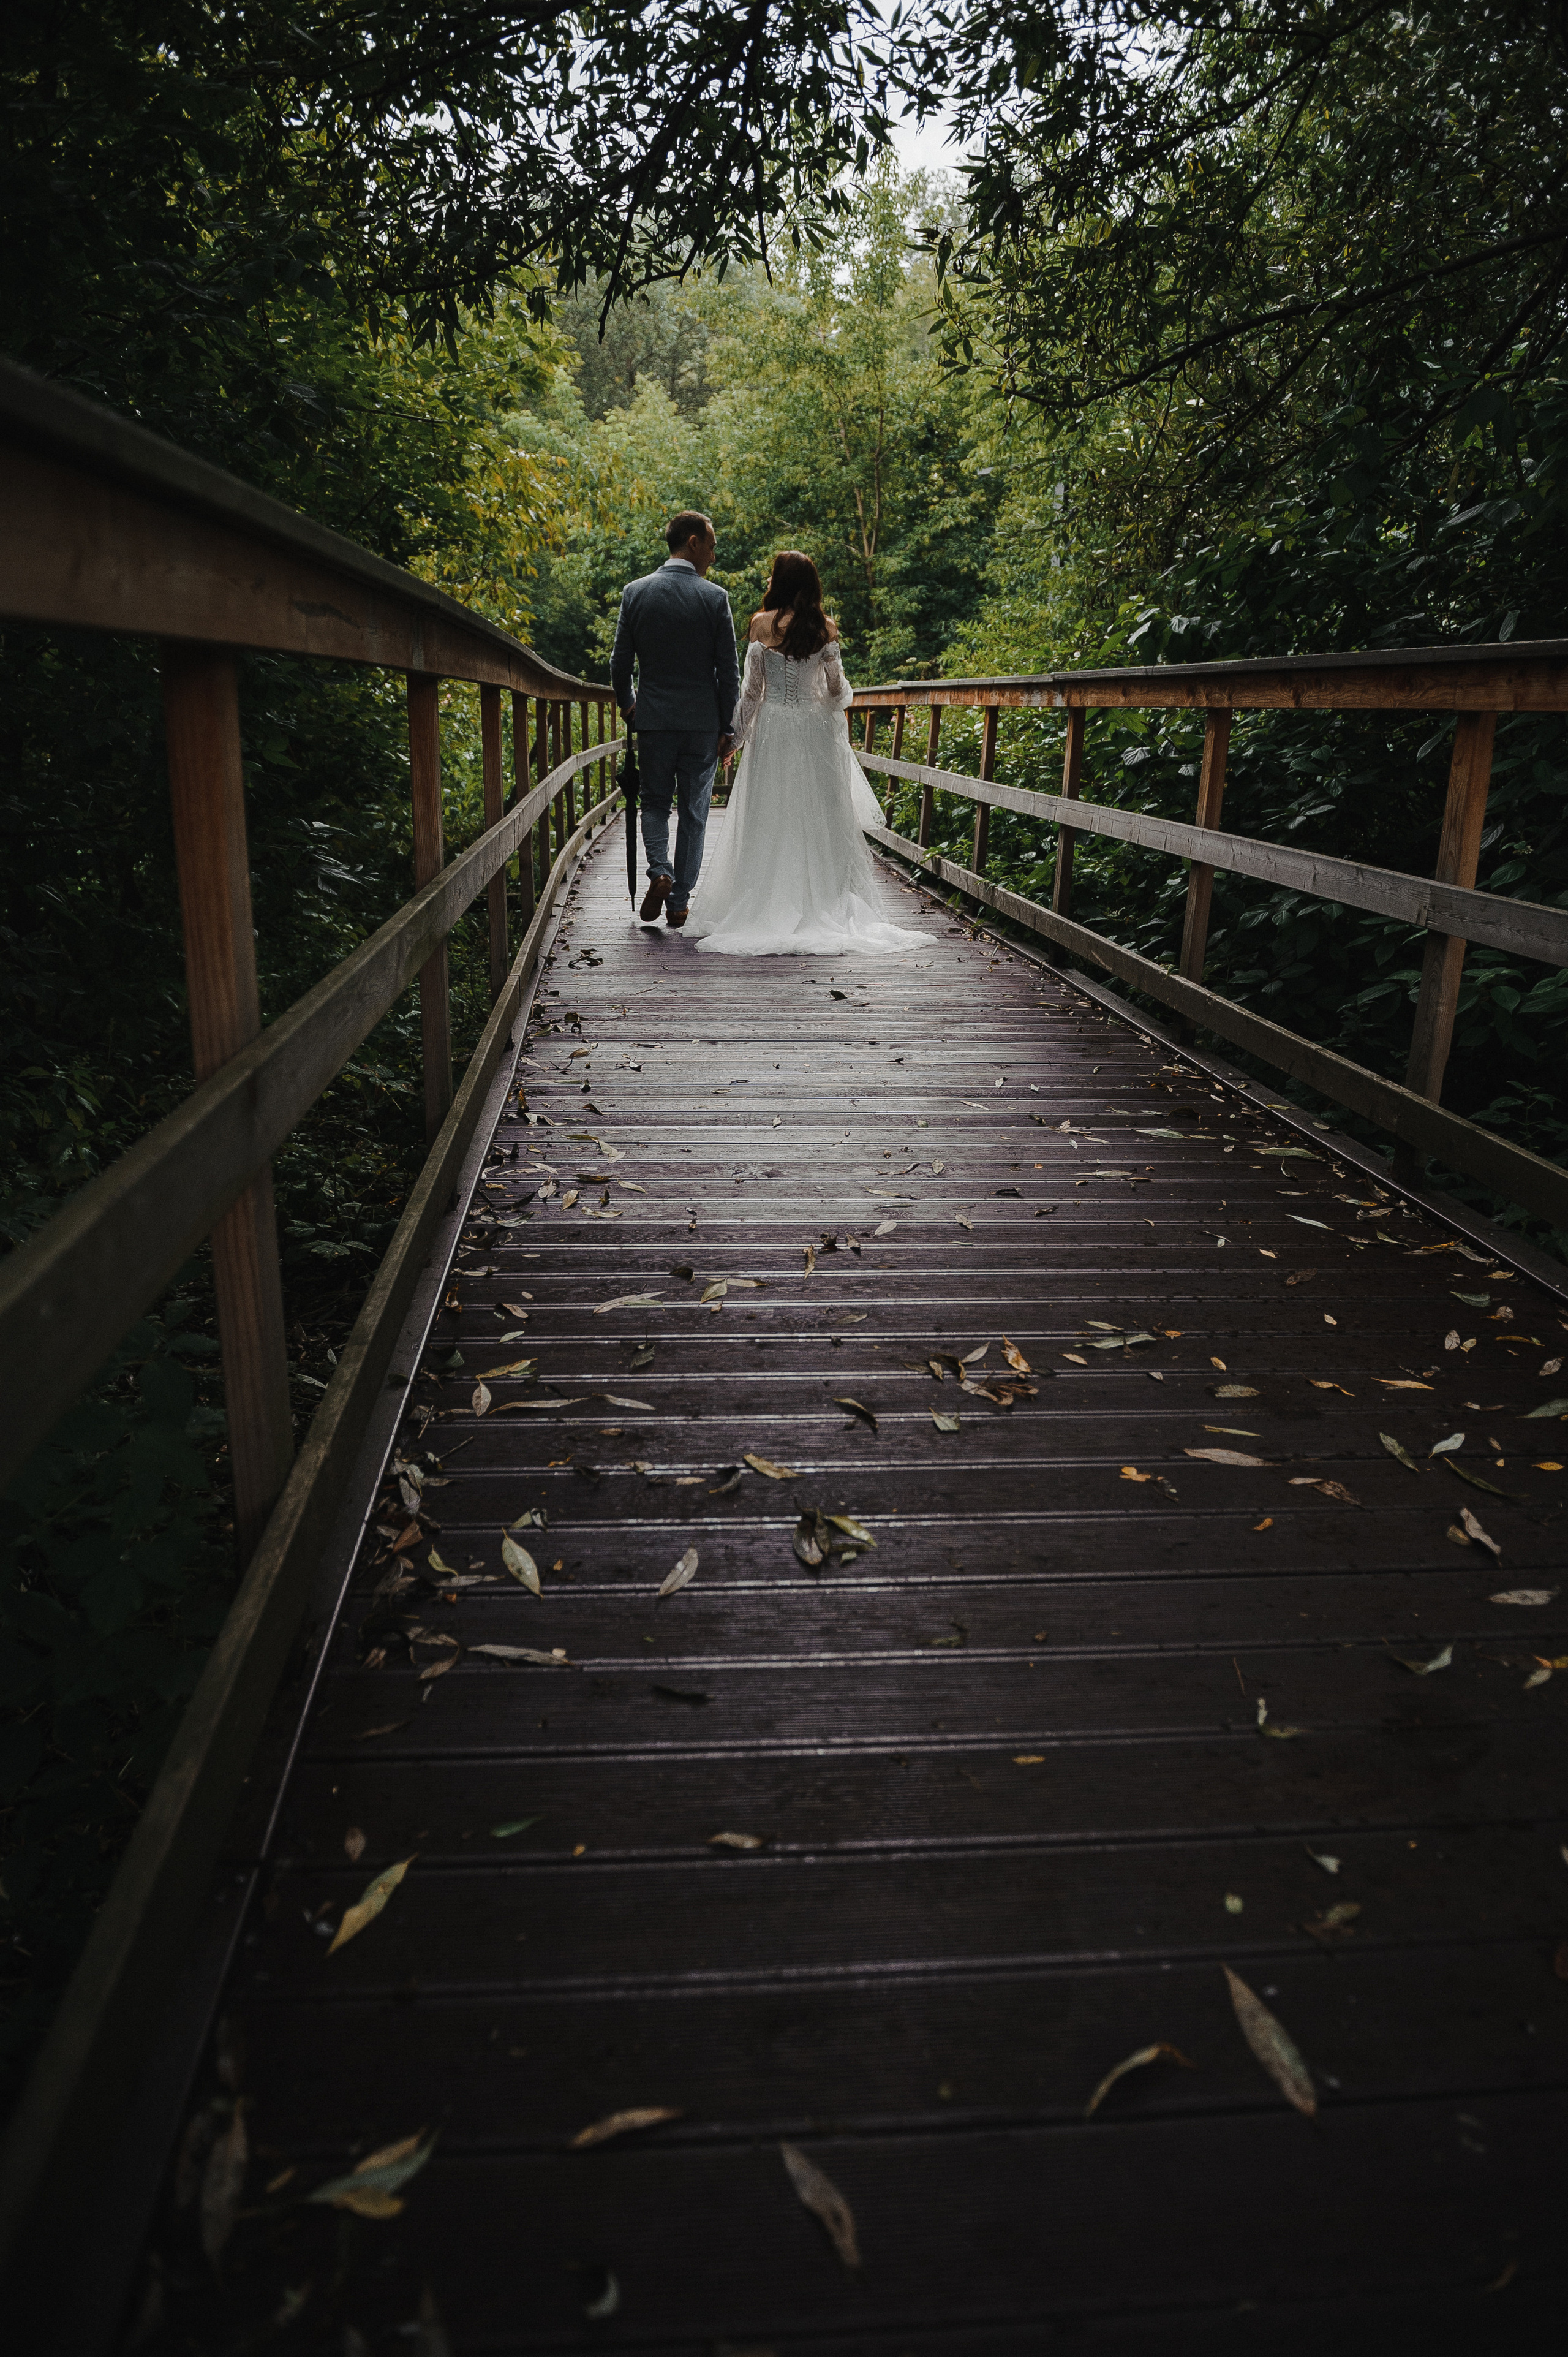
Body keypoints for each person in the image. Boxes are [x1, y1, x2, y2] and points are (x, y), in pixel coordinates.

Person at [685, 551, 936, 958]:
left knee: (770, 813)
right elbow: (837, 694)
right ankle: (822, 902)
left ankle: (768, 901)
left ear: (780, 582)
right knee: (818, 815)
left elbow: (752, 693)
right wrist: (824, 693)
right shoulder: (826, 629)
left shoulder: (760, 625)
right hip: (813, 730)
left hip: (773, 730)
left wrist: (733, 738)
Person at [610, 510, 739, 928]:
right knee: (695, 812)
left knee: (653, 802)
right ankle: (679, 901)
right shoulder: (715, 598)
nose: (714, 556)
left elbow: (619, 663)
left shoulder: (636, 593)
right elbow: (729, 671)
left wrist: (630, 703)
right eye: (712, 544)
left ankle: (659, 871)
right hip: (702, 724)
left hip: (655, 720)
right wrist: (728, 728)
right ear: (694, 542)